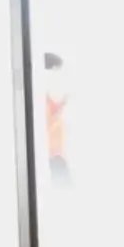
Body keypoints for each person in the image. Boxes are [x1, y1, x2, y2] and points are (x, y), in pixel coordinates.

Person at [44, 51, 70, 182]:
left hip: (56, 153)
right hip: (53, 155)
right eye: (57, 72)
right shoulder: (44, 99)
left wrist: (63, 103)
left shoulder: (48, 99)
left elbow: (54, 112)